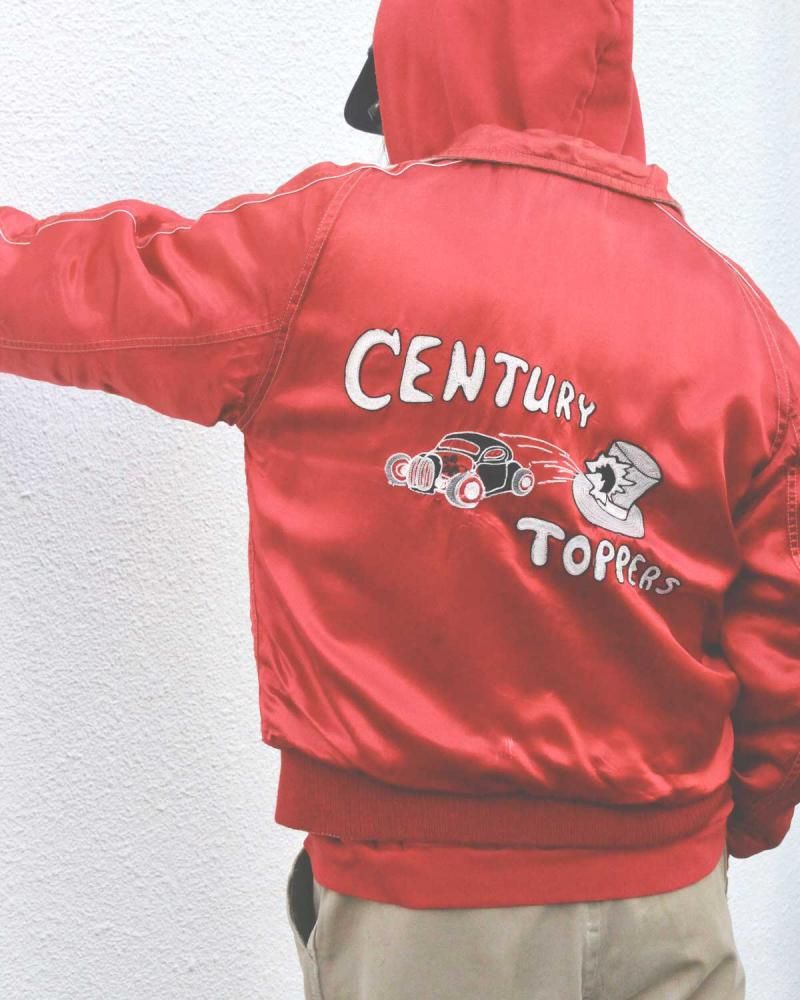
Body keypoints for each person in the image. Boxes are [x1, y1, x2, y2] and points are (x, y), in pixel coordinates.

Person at [2, 0, 798, 997]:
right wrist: (716, 830)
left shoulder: (326, 247)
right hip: (669, 905)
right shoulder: (741, 326)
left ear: (421, 55)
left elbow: (96, 291)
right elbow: (780, 641)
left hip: (423, 909)